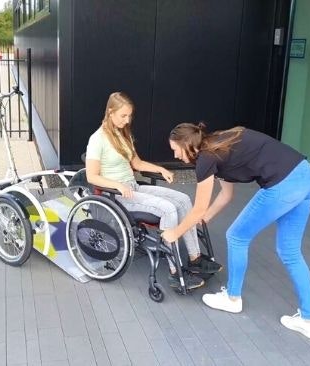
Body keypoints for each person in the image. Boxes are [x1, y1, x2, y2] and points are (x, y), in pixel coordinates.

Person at [163, 122, 310, 340]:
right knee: (290, 252)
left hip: (283, 184)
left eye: (175, 150)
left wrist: (175, 232)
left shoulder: (206, 159)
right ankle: (309, 320)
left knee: (236, 236)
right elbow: (225, 195)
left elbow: (197, 206)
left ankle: (232, 298)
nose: (175, 155)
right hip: (307, 176)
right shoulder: (218, 145)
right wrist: (206, 217)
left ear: (186, 145)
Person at [85, 92, 222, 291]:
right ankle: (175, 272)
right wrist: (117, 185)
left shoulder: (123, 135)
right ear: (110, 112)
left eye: (130, 116)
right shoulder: (97, 139)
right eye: (123, 116)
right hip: (117, 196)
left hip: (133, 187)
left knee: (183, 199)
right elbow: (92, 176)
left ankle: (195, 258)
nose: (127, 120)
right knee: (168, 209)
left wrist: (160, 169)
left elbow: (137, 163)